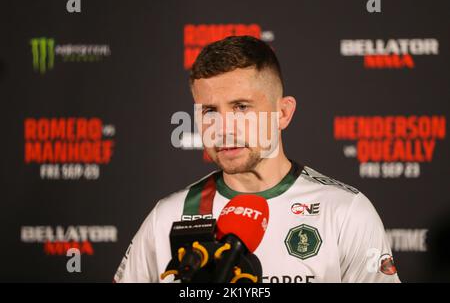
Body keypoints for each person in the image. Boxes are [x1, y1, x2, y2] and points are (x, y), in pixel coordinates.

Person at [114, 36, 400, 283]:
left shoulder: (345, 212)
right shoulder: (167, 217)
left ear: (283, 113)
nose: (223, 129)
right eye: (209, 111)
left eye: (241, 107)